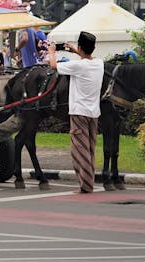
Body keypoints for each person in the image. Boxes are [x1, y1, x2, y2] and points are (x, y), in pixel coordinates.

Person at [48, 31, 103, 194]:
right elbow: (86, 58)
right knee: (90, 149)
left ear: (80, 47)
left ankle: (86, 185)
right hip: (93, 113)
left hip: (79, 113)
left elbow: (53, 65)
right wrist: (75, 51)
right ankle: (88, 181)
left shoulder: (78, 66)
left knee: (80, 150)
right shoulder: (99, 63)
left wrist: (52, 52)